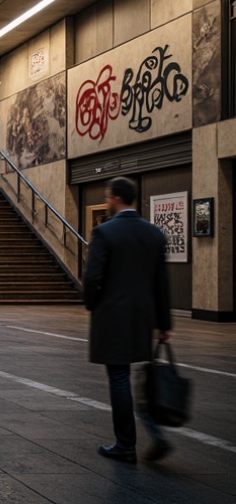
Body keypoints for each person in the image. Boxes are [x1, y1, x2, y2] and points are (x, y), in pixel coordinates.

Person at [84, 176, 173, 463]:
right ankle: (156, 434)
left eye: (108, 197)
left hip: (113, 315)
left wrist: (92, 304)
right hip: (143, 316)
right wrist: (164, 323)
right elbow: (161, 282)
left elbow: (93, 277)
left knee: (119, 375)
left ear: (117, 198)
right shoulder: (154, 233)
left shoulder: (104, 233)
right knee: (142, 375)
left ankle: (125, 444)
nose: (107, 201)